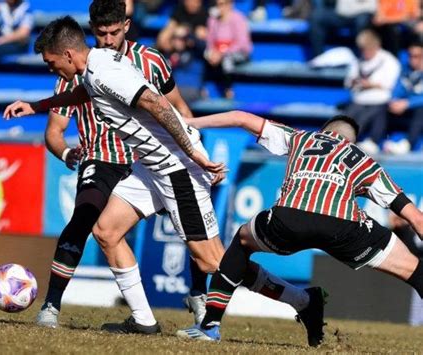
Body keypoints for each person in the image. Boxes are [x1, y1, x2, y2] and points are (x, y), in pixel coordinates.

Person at [4, 16, 325, 340]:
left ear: (69, 55)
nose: (50, 69)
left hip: (177, 168)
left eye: (51, 62)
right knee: (106, 230)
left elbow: (155, 102)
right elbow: (85, 93)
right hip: (152, 167)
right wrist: (38, 106)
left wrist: (193, 152)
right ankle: (143, 320)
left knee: (213, 260)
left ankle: (303, 300)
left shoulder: (105, 70)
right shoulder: (95, 63)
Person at [177, 112, 423, 346]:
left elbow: (241, 118)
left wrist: (189, 121)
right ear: (352, 142)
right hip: (344, 228)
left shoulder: (300, 137)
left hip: (289, 220)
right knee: (416, 271)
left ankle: (209, 327)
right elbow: (416, 218)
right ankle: (306, 302)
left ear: (324, 131)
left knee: (242, 241)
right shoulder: (364, 161)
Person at [36, 0, 197, 331]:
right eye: (100, 33)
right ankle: (51, 305)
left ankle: (199, 292)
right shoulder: (74, 67)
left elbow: (179, 108)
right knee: (85, 218)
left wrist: (193, 151)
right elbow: (54, 132)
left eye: (112, 32)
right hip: (103, 159)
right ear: (91, 31)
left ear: (125, 25)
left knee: (191, 228)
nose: (107, 40)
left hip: (152, 160)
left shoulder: (151, 61)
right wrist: (68, 154)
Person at [344, 29, 400, 155]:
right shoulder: (358, 61)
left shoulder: (389, 61)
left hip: (380, 100)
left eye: (368, 49)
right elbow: (348, 82)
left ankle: (373, 141)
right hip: (359, 99)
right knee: (345, 120)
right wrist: (355, 82)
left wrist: (370, 84)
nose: (365, 53)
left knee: (365, 118)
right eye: (363, 49)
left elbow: (389, 85)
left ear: (376, 46)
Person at [203, 0, 252, 99]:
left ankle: (228, 90)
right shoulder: (213, 20)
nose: (220, 7)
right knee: (202, 56)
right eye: (217, 4)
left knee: (227, 60)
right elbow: (210, 41)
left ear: (230, 4)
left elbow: (241, 43)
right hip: (218, 51)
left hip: (238, 53)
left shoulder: (238, 18)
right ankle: (202, 89)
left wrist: (222, 53)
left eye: (223, 4)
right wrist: (212, 52)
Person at [383, 39, 423, 154]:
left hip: (417, 107)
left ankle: (408, 144)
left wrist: (408, 103)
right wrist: (394, 100)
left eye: (417, 56)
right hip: (406, 106)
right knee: (381, 106)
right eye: (410, 55)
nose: (412, 59)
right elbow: (397, 88)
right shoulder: (405, 70)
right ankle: (374, 141)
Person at [308, 0, 375, 59]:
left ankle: (362, 60)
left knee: (362, 22)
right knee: (316, 16)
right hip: (341, 13)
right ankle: (319, 59)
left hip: (364, 12)